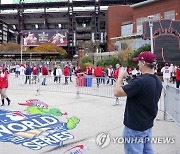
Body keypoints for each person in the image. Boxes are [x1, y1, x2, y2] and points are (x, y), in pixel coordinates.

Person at [114, 51, 162, 154]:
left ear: (144, 63)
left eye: (139, 62)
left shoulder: (140, 81)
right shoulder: (157, 81)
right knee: (147, 151)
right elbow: (140, 91)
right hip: (147, 125)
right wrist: (128, 78)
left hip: (134, 127)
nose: (138, 64)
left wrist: (120, 77)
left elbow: (117, 92)